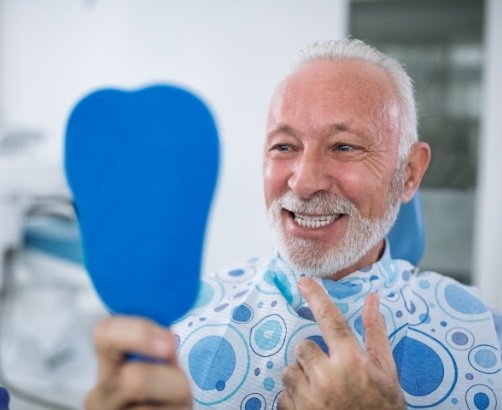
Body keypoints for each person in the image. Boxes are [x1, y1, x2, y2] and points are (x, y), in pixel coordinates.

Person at [85, 39, 502, 409]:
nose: (303, 182)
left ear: (409, 173)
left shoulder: (487, 339)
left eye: (344, 146)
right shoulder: (176, 329)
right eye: (284, 146)